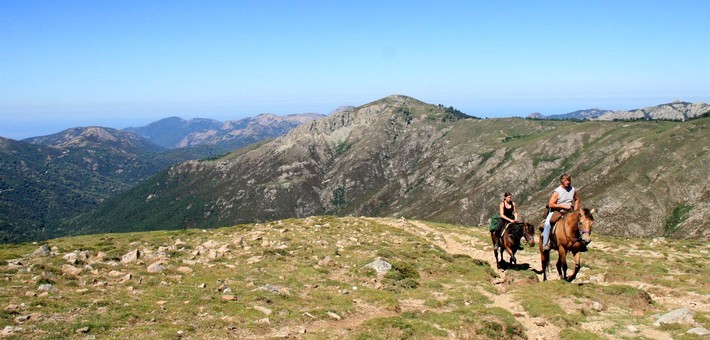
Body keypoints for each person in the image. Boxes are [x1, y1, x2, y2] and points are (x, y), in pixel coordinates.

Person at [542, 173, 580, 250]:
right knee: (547, 224)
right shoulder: (557, 192)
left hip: (569, 211)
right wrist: (563, 206)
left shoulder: (572, 190)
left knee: (580, 223)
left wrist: (575, 211)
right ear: (561, 181)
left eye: (569, 180)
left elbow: (577, 199)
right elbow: (550, 204)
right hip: (556, 211)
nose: (568, 182)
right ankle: (545, 243)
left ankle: (580, 242)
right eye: (566, 180)